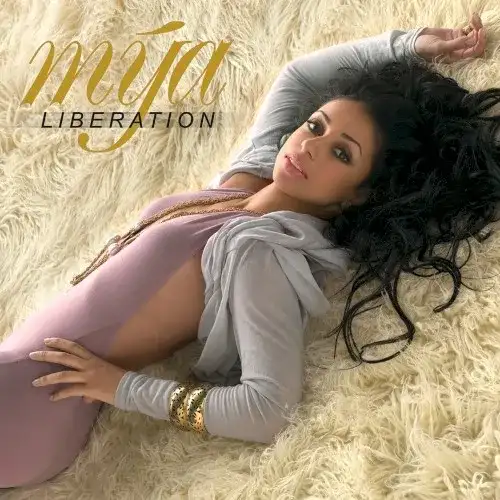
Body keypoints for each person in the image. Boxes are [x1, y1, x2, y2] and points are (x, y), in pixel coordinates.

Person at [1, 13, 498, 489]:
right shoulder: (250, 180)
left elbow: (267, 410)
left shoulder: (263, 253)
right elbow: (296, 76)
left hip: (32, 403)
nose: (310, 146)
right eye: (316, 126)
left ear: (358, 196)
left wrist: (122, 388)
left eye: (341, 153)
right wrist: (410, 44)